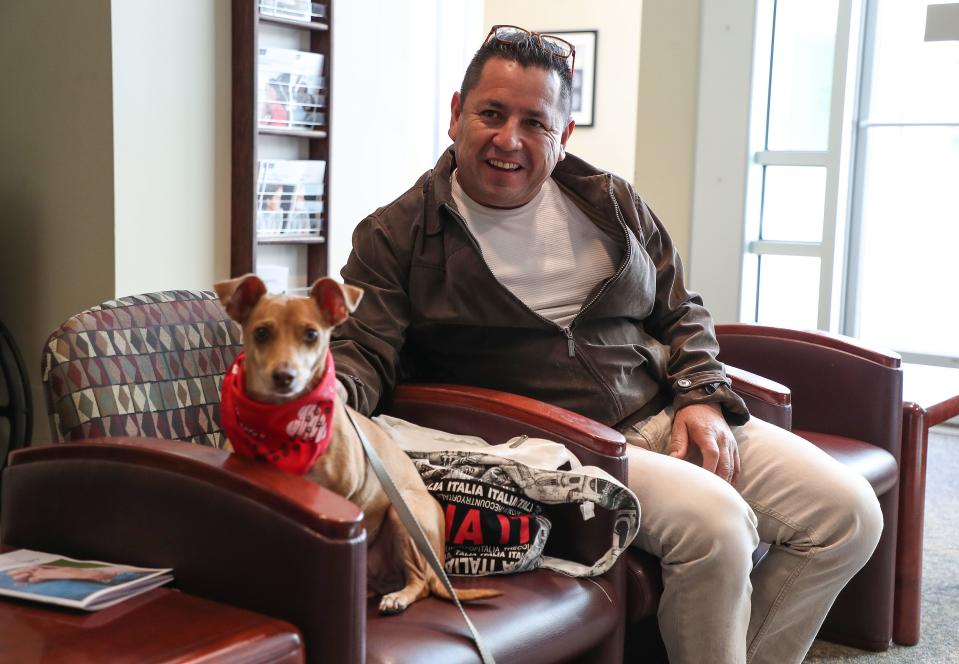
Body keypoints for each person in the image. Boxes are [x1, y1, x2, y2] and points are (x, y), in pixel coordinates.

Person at [330, 25, 882, 664]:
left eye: (535, 122)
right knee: (719, 526)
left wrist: (702, 396)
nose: (508, 139)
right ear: (456, 114)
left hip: (665, 414)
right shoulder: (396, 235)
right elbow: (364, 348)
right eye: (490, 113)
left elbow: (681, 311)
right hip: (554, 448)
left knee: (849, 514)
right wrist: (328, 395)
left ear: (562, 138)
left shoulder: (610, 202)